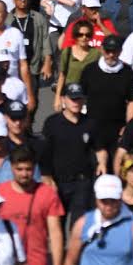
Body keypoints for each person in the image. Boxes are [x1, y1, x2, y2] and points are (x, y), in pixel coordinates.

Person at [0, 146, 66, 265]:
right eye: (19, 169)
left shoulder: (47, 194)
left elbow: (55, 232)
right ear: (11, 167)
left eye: (28, 169)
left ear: (34, 168)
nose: (24, 174)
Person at [42, 82, 103, 217]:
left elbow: (100, 149)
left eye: (79, 98)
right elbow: (45, 153)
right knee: (56, 221)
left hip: (82, 182)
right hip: (59, 182)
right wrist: (47, 177)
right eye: (72, 99)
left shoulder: (90, 123)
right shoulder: (52, 123)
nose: (76, 102)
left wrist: (102, 163)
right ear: (63, 99)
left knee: (79, 223)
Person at [81, 34, 133, 174]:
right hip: (94, 129)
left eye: (115, 51)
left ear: (120, 51)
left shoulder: (127, 72)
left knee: (118, 170)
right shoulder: (90, 70)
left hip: (118, 130)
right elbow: (80, 98)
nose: (111, 55)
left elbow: (132, 101)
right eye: (108, 51)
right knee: (96, 169)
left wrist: (128, 126)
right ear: (102, 49)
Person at [54, 18, 101, 107]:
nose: (84, 37)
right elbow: (62, 76)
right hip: (70, 96)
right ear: (75, 36)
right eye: (80, 35)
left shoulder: (97, 53)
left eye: (87, 35)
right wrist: (57, 98)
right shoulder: (67, 52)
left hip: (89, 97)